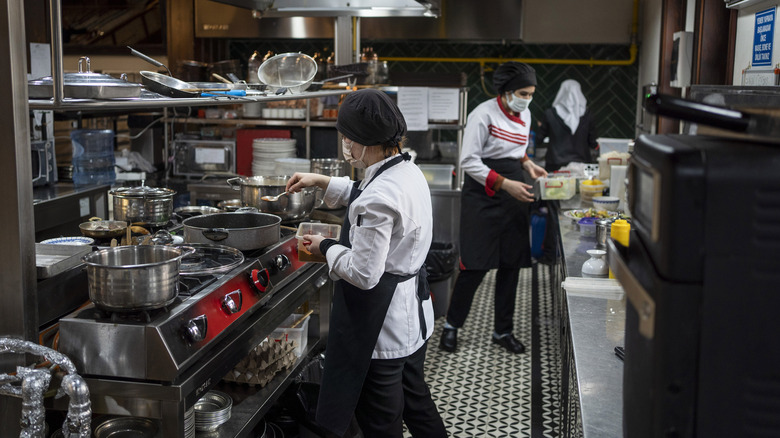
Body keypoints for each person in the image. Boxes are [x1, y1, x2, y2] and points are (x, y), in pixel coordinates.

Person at [285, 88, 447, 438]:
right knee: (417, 403)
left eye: (346, 138)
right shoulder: (407, 170)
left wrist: (326, 245)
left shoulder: (378, 197)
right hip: (414, 317)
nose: (344, 145)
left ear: (359, 141)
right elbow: (368, 190)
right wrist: (324, 181)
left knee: (381, 422)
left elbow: (363, 273)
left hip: (382, 325)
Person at [439, 62, 547, 355]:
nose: (527, 99)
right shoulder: (482, 115)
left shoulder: (524, 114)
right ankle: (451, 327)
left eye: (531, 94)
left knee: (511, 264)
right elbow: (469, 161)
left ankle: (503, 331)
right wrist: (505, 184)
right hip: (483, 191)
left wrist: (527, 164)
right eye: (523, 93)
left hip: (514, 187)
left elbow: (517, 147)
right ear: (508, 92)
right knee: (475, 264)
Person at [537, 79, 598, 172]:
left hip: (555, 165)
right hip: (582, 165)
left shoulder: (549, 114)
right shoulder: (588, 115)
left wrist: (540, 127)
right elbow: (593, 142)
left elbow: (538, 139)